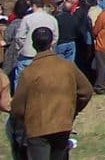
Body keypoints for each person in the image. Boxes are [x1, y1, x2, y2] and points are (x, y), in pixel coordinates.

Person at [10, 27, 93, 159]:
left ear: (33, 45)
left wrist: (24, 119)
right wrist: (72, 110)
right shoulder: (68, 66)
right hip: (62, 124)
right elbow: (86, 91)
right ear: (52, 42)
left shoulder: (29, 72)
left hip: (37, 128)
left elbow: (18, 107)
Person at [12, 0, 58, 91]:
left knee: (21, 80)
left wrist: (21, 48)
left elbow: (20, 36)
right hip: (45, 54)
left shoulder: (27, 19)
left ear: (33, 5)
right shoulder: (52, 19)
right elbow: (55, 37)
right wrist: (49, 48)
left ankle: (20, 99)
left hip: (28, 53)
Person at [53, 0, 84, 64]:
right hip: (71, 42)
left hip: (61, 42)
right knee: (70, 64)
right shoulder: (74, 18)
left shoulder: (58, 18)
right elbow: (78, 30)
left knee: (59, 63)